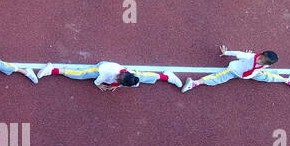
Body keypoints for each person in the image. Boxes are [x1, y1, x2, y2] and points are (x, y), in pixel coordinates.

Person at [180, 47, 290, 92]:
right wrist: (226, 53)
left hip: (252, 74)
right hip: (234, 71)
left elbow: (263, 65)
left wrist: (258, 66)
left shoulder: (265, 65)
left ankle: (287, 80)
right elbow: (238, 53)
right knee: (217, 78)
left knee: (269, 77)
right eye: (260, 58)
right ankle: (194, 83)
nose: (259, 61)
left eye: (263, 61)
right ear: (261, 54)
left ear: (267, 64)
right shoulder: (250, 57)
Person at [34, 60, 183, 90]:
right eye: (118, 79)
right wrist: (101, 86)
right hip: (101, 67)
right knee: (81, 75)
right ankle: (52, 69)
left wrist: (115, 86)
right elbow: (97, 82)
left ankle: (168, 76)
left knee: (144, 77)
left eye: (119, 81)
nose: (117, 79)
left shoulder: (131, 77)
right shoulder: (107, 73)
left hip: (119, 75)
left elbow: (122, 81)